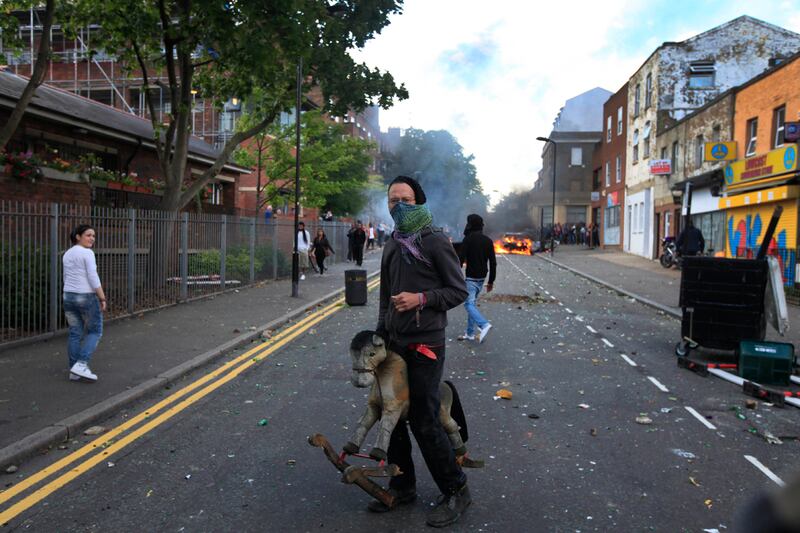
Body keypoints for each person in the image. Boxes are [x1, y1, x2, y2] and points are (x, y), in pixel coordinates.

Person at [371, 175, 471, 527]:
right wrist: (380, 337)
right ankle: (403, 485)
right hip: (395, 344)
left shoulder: (434, 240)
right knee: (392, 415)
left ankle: (456, 488)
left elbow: (458, 291)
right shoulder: (391, 244)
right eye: (393, 199)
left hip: (427, 343)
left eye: (406, 199)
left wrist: (421, 299)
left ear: (419, 202)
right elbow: (386, 296)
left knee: (424, 420)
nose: (399, 205)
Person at [63, 224, 107, 382]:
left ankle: (74, 371)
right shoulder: (87, 253)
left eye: (93, 236)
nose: (92, 239)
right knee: (95, 331)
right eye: (88, 235)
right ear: (78, 236)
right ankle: (81, 364)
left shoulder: (67, 254)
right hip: (85, 297)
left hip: (68, 296)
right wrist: (102, 298)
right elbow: (93, 277)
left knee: (75, 333)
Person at [457, 214, 496, 343]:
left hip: (471, 279)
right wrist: (491, 281)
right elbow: (493, 262)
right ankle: (469, 333)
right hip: (482, 278)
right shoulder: (488, 240)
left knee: (468, 304)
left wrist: (455, 276)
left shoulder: (468, 239)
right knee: (472, 304)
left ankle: (484, 324)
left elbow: (460, 260)